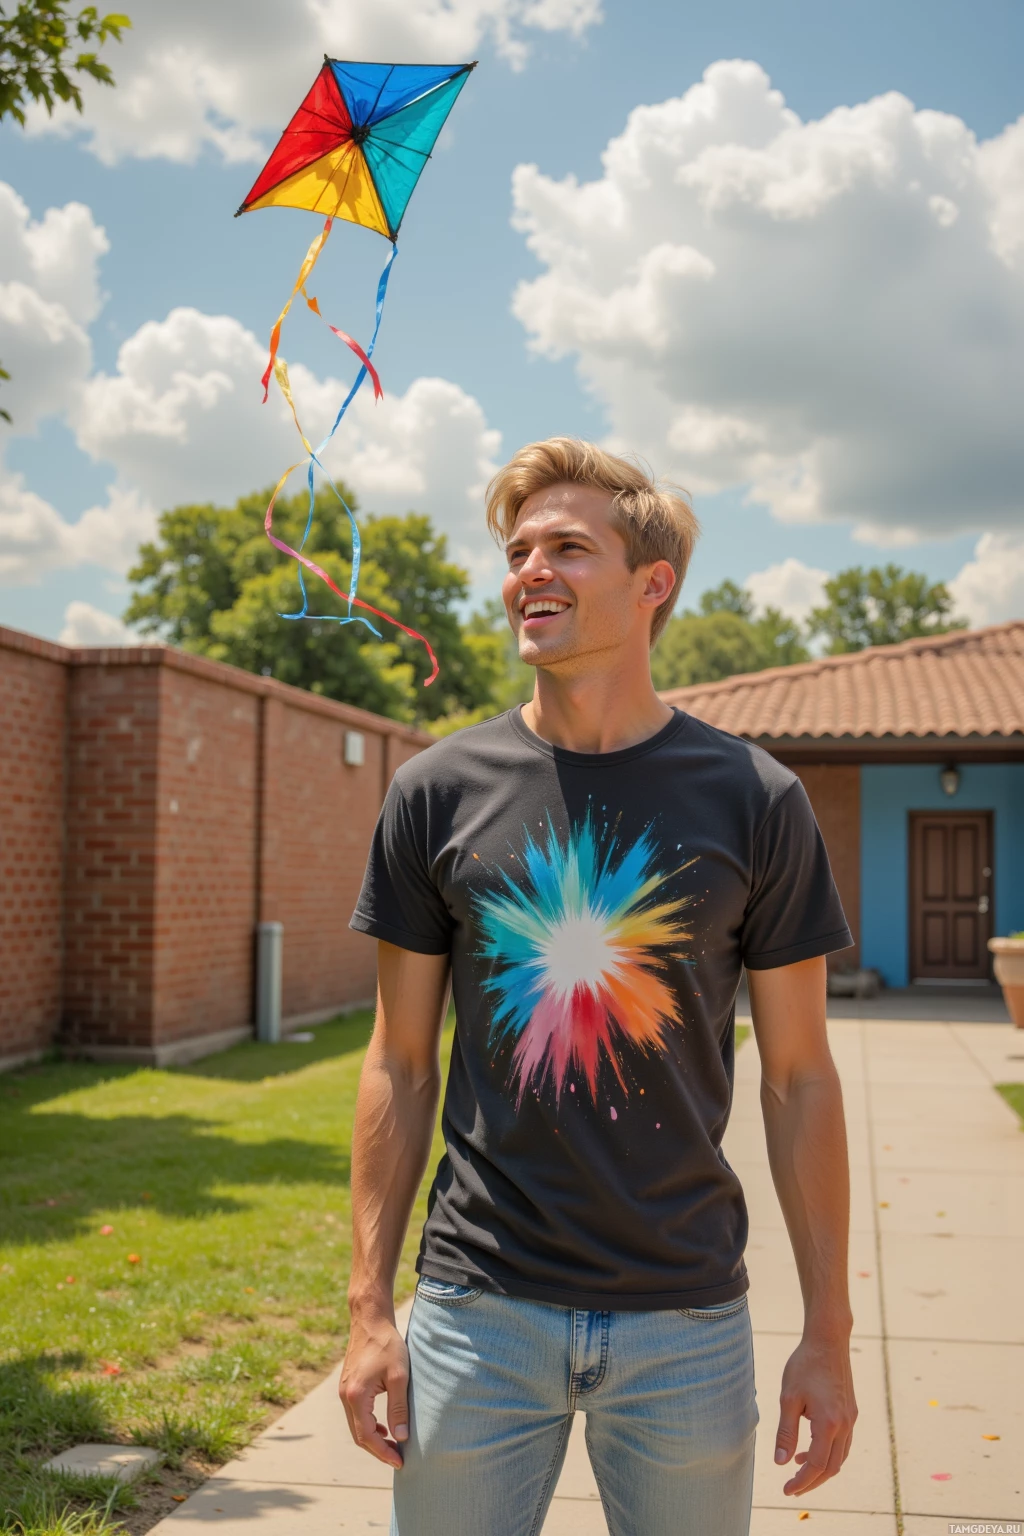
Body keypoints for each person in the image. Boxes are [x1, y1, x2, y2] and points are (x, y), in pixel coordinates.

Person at [340, 438, 858, 1536]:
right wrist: (366, 1309)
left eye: (567, 547)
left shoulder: (756, 800)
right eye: (517, 548)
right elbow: (395, 1061)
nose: (529, 567)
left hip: (685, 1322)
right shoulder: (434, 793)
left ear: (651, 583)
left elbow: (801, 1080)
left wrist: (828, 1329)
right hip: (477, 1313)